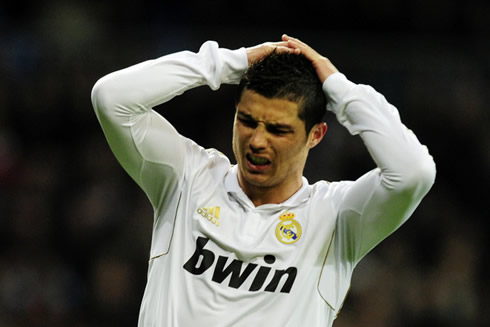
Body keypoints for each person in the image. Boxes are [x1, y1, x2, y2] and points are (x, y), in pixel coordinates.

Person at [91, 34, 436, 326]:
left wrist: (337, 86)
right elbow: (112, 98)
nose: (257, 140)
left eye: (278, 129)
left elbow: (413, 172)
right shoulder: (187, 178)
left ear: (315, 135)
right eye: (247, 121)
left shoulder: (336, 218)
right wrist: (231, 63)